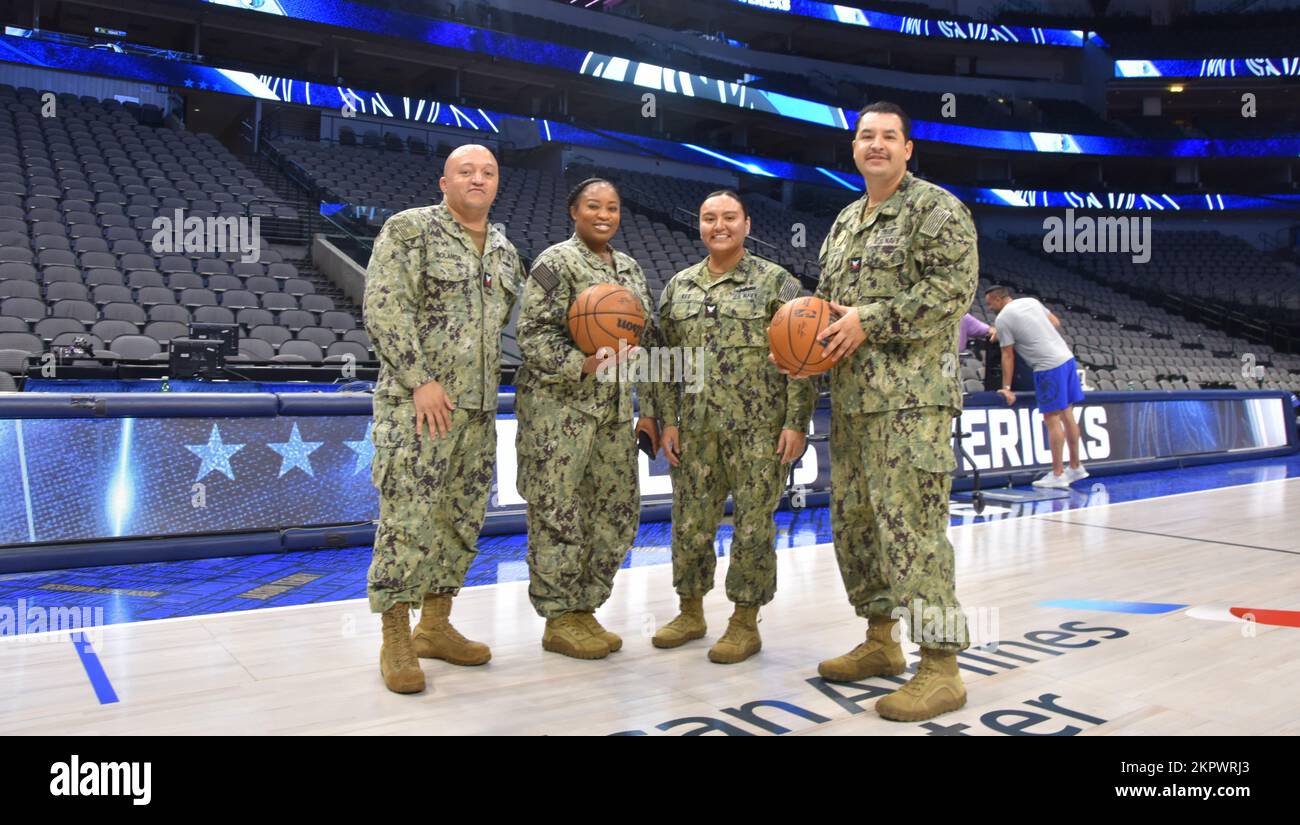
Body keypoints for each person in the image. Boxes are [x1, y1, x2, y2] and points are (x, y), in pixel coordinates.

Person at [787, 101, 979, 722]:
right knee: (858, 528)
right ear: (854, 148)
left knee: (912, 533)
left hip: (910, 404)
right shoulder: (845, 220)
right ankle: (880, 640)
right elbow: (830, 309)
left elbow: (952, 292)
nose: (876, 145)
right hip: (850, 402)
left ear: (907, 148)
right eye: (865, 136)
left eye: (888, 136)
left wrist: (870, 319)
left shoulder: (936, 209)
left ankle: (942, 665)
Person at [364, 144, 524, 694]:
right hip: (418, 408)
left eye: (487, 172)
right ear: (444, 181)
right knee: (407, 522)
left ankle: (434, 625)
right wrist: (420, 380)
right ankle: (395, 637)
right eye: (466, 172)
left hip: (477, 413)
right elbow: (384, 307)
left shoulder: (504, 250)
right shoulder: (410, 231)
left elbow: (514, 328)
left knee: (459, 523)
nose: (477, 179)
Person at [652, 190, 815, 663]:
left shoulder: (777, 283)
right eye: (708, 218)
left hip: (759, 432)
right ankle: (690, 611)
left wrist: (796, 422)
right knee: (689, 526)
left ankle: (745, 621)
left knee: (752, 528)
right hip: (696, 431)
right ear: (699, 226)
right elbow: (664, 363)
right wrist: (666, 421)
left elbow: (803, 357)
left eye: (728, 217)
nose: (718, 225)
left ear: (746, 223)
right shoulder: (678, 287)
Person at [514, 177, 660, 660]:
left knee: (618, 514)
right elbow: (531, 336)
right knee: (558, 513)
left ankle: (584, 607)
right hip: (560, 413)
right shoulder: (554, 263)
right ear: (573, 211)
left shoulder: (632, 270)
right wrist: (582, 363)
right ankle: (559, 617)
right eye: (593, 206)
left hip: (615, 415)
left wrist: (650, 408)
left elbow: (646, 343)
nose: (604, 214)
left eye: (613, 207)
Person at [983, 286, 1088, 488]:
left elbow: (1007, 355)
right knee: (1068, 414)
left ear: (998, 299)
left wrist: (1006, 386)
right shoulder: (1031, 301)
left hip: (1048, 367)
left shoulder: (1003, 319)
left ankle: (1058, 475)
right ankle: (1076, 467)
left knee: (1052, 418)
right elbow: (1055, 322)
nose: (989, 308)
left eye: (989, 303)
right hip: (1066, 359)